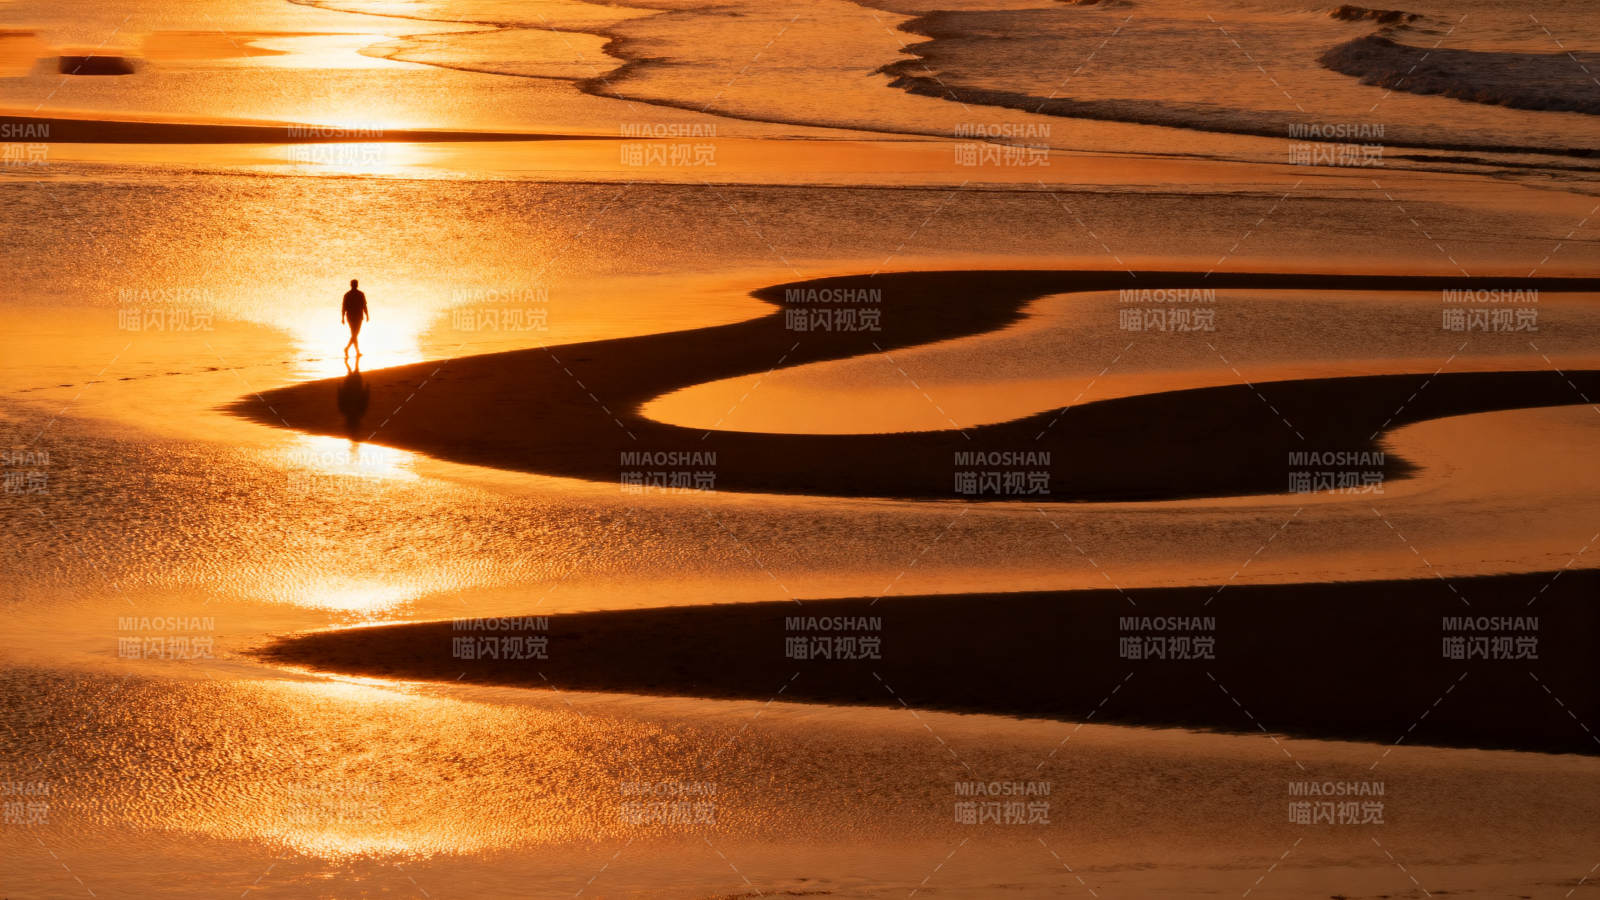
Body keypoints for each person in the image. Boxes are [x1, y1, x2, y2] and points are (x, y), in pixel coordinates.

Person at [341, 279, 369, 359]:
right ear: (356, 285)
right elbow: (364, 306)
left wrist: (342, 317)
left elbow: (344, 307)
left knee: (354, 334)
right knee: (355, 334)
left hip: (351, 316)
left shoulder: (348, 294)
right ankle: (348, 349)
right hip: (356, 316)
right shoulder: (360, 294)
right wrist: (367, 315)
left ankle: (355, 351)